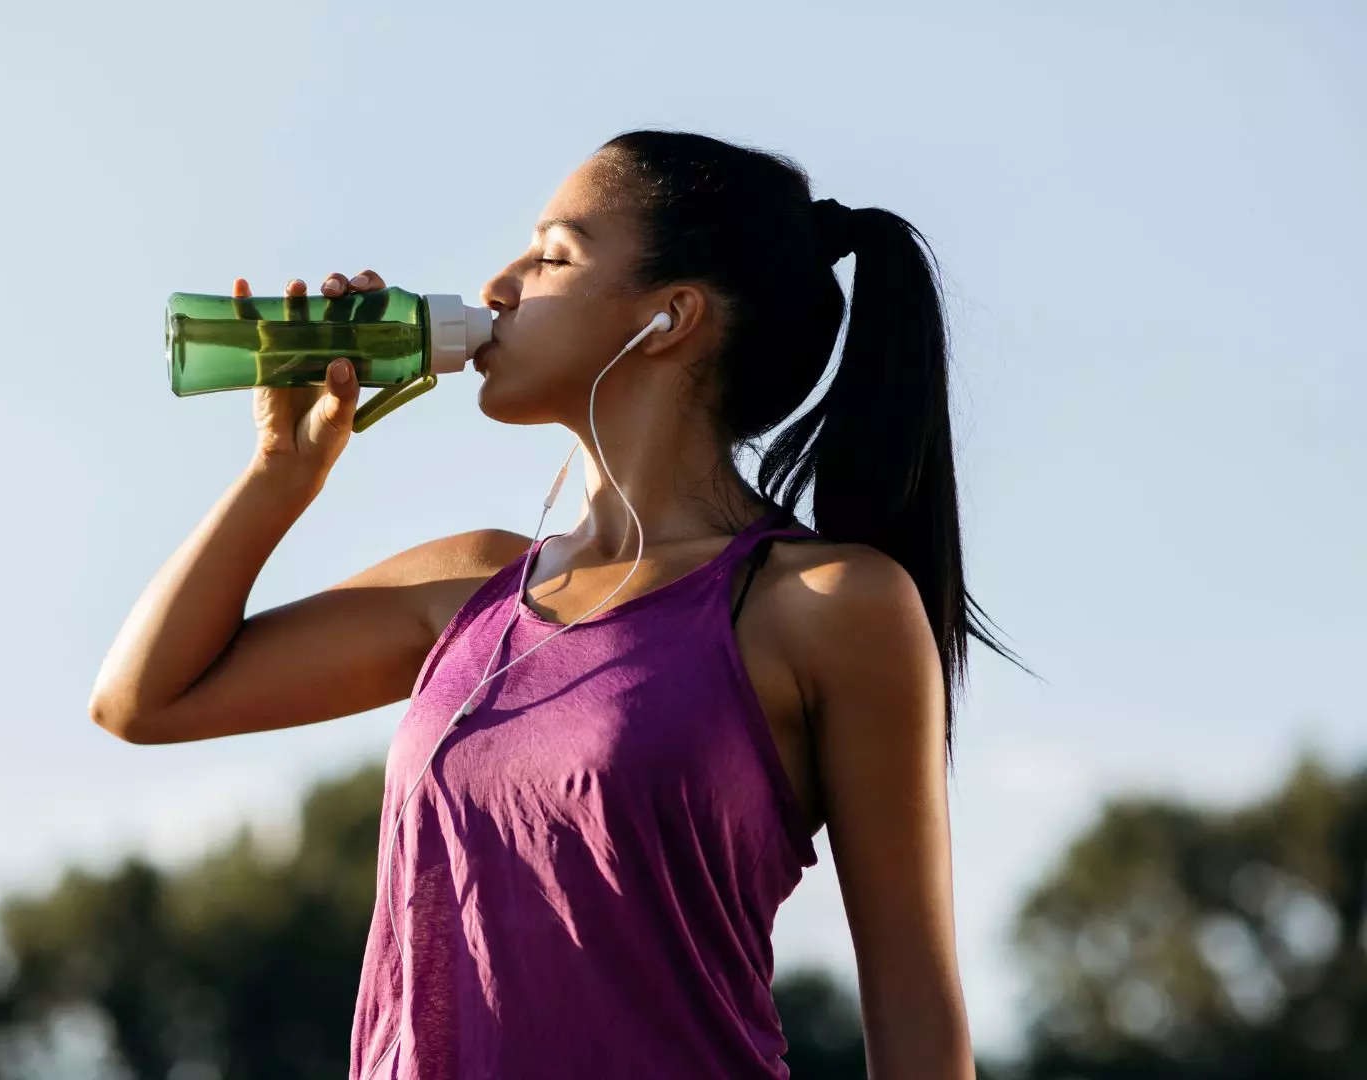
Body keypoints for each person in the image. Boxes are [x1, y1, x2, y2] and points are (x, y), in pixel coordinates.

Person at [89, 128, 1029, 1079]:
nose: (497, 287)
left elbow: (915, 1010)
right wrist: (278, 474)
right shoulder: (467, 586)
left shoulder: (825, 604)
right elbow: (143, 700)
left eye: (552, 256)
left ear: (670, 318)